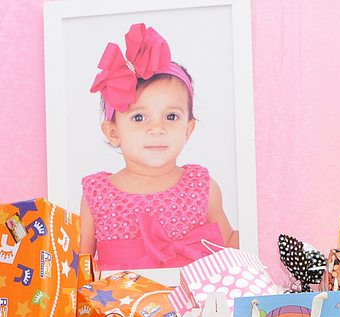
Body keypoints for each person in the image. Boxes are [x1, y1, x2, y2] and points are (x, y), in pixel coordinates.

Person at [80, 23, 238, 270]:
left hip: (190, 296)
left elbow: (229, 244)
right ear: (113, 132)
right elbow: (81, 265)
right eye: (139, 117)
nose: (157, 128)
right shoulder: (97, 195)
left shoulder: (202, 187)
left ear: (188, 129)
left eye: (171, 117)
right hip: (119, 297)